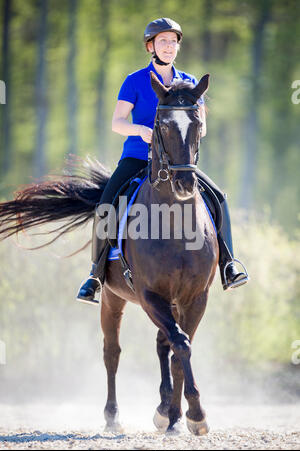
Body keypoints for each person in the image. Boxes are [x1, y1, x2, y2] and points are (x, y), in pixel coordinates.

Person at [76, 17, 249, 305]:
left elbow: (202, 126)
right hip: (137, 157)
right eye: (163, 41)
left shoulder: (190, 83)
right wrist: (142, 130)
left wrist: (187, 132)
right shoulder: (134, 81)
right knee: (106, 204)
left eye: (173, 42)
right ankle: (95, 276)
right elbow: (117, 122)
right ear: (150, 46)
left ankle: (229, 264)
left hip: (178, 161)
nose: (169, 47)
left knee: (218, 197)